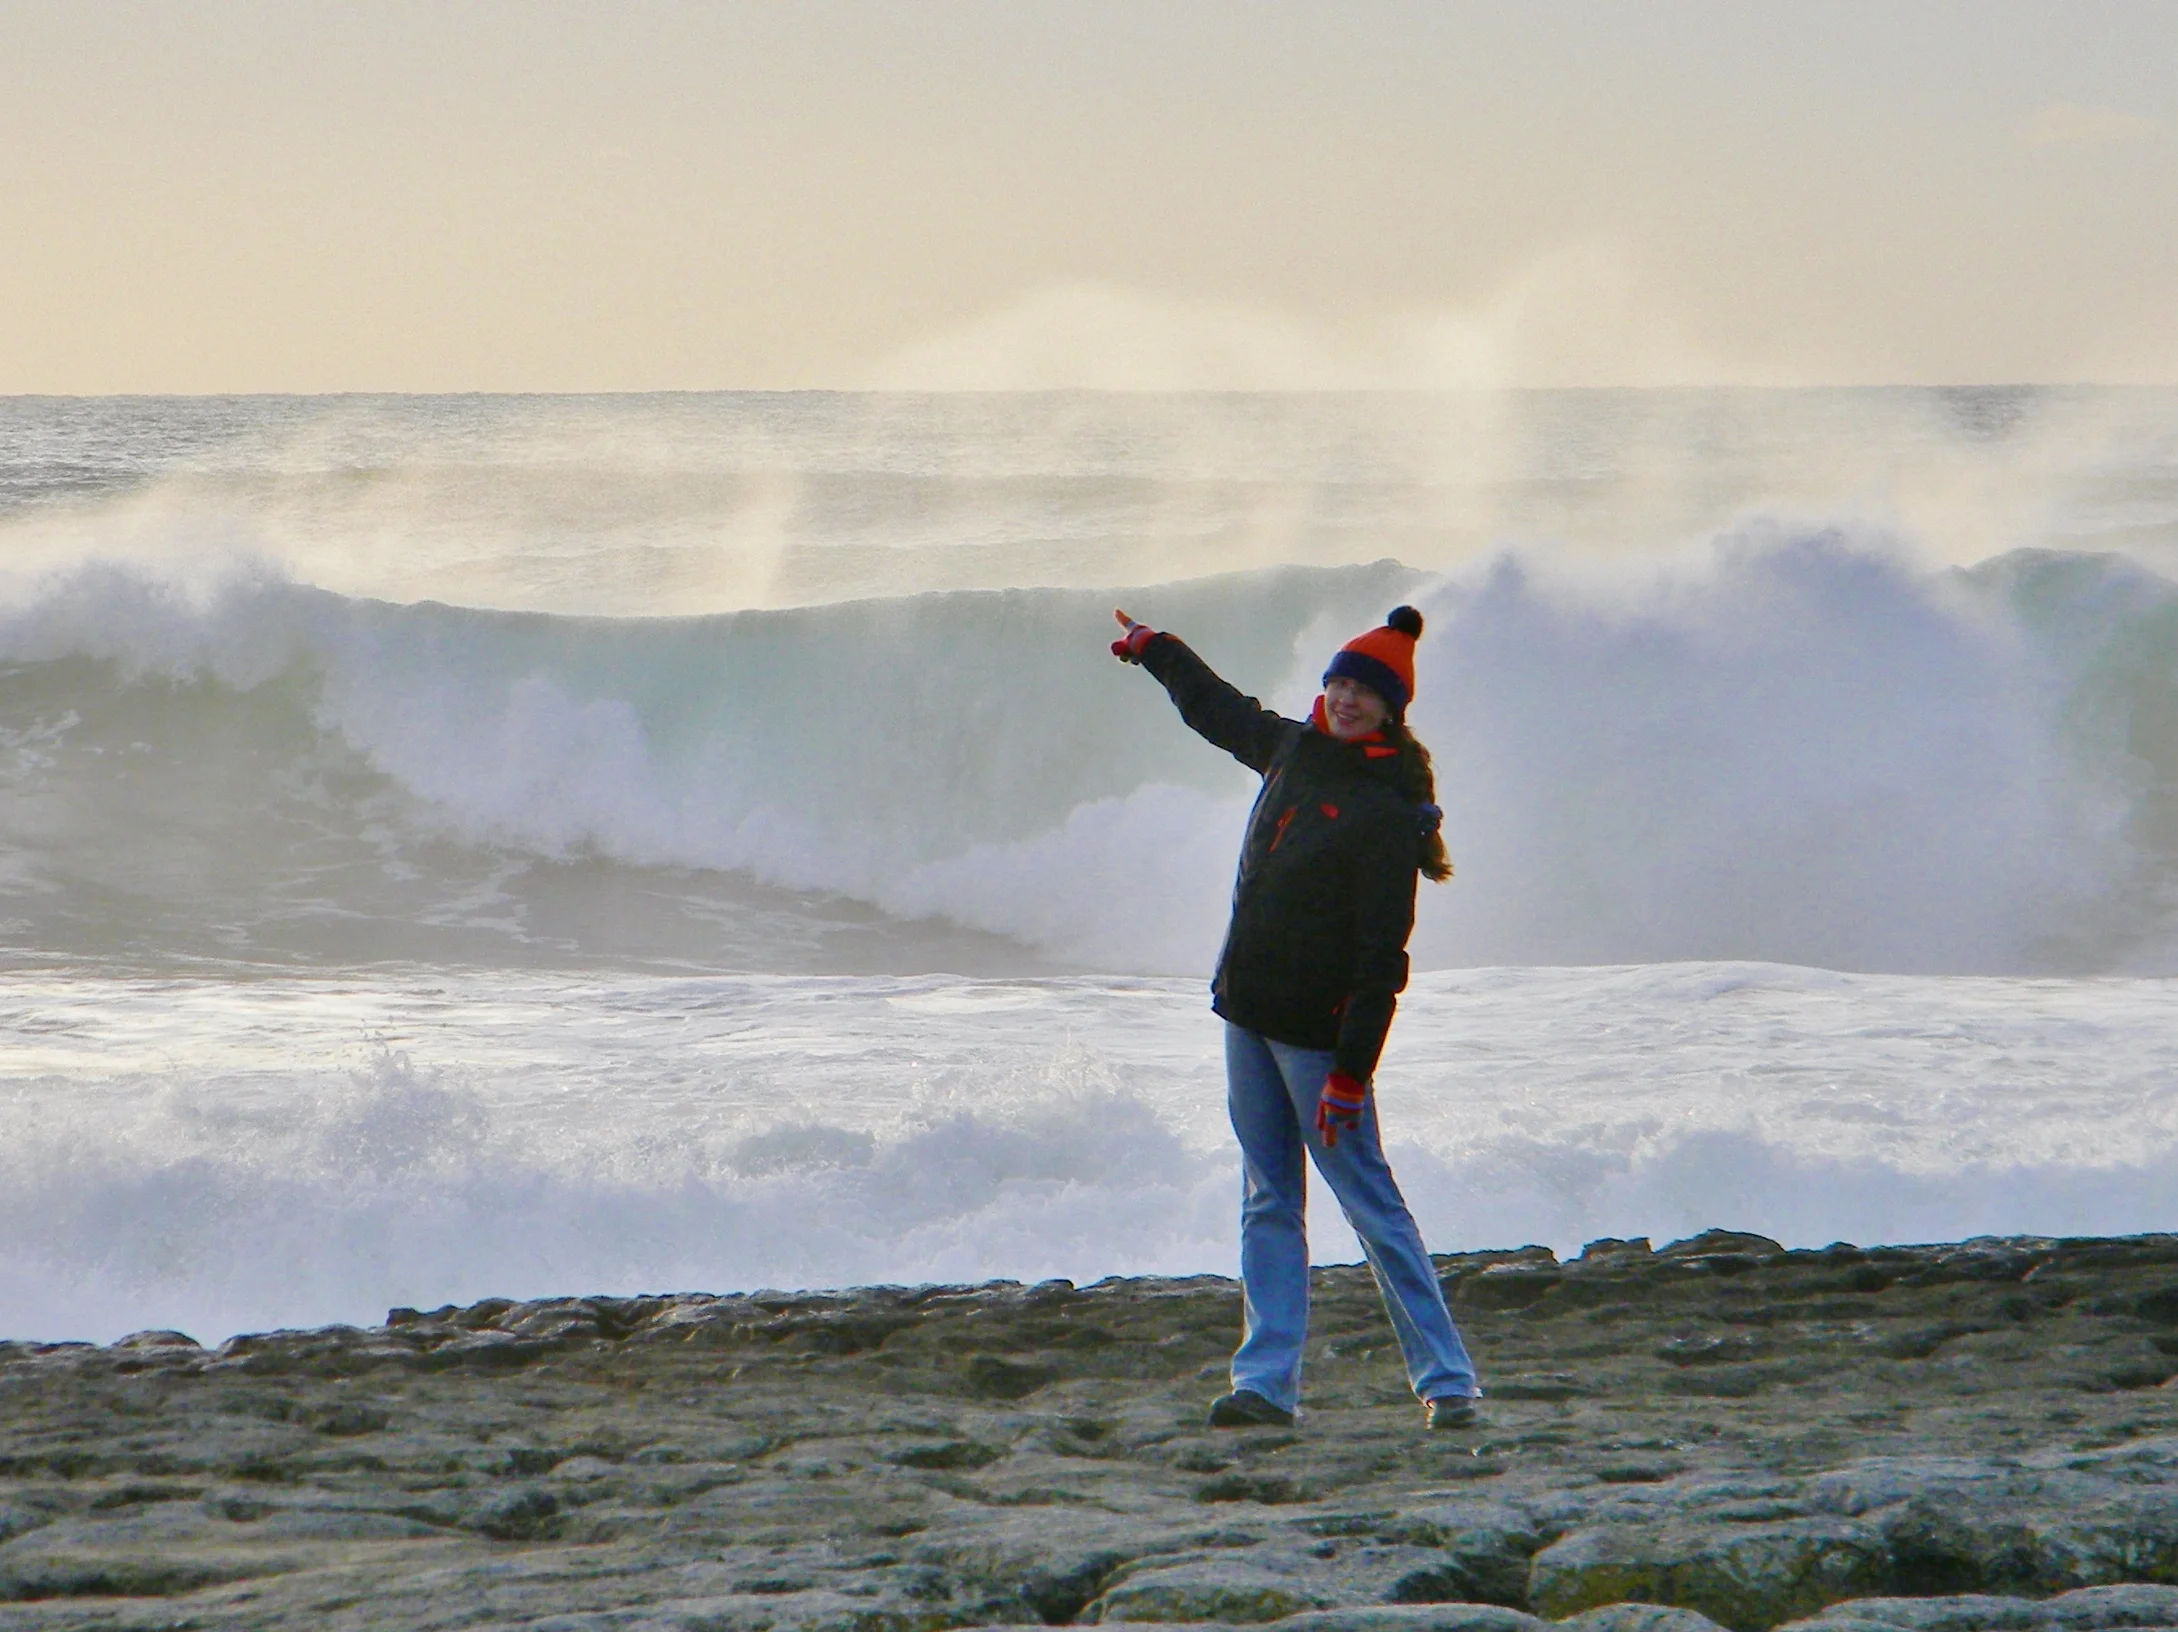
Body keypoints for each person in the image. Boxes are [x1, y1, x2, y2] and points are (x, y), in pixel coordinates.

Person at [1111, 604, 1482, 1431]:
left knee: (1370, 1206)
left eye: (1364, 692)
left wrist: (1353, 1073)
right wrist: (1157, 650)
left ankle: (1449, 1381)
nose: (1346, 700)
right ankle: (1265, 1384)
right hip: (1245, 1014)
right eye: (1339, 683)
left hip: (1319, 1044)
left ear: (1391, 710)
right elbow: (1221, 710)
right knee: (1268, 1200)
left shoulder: (1386, 812)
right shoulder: (1294, 750)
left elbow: (1382, 960)